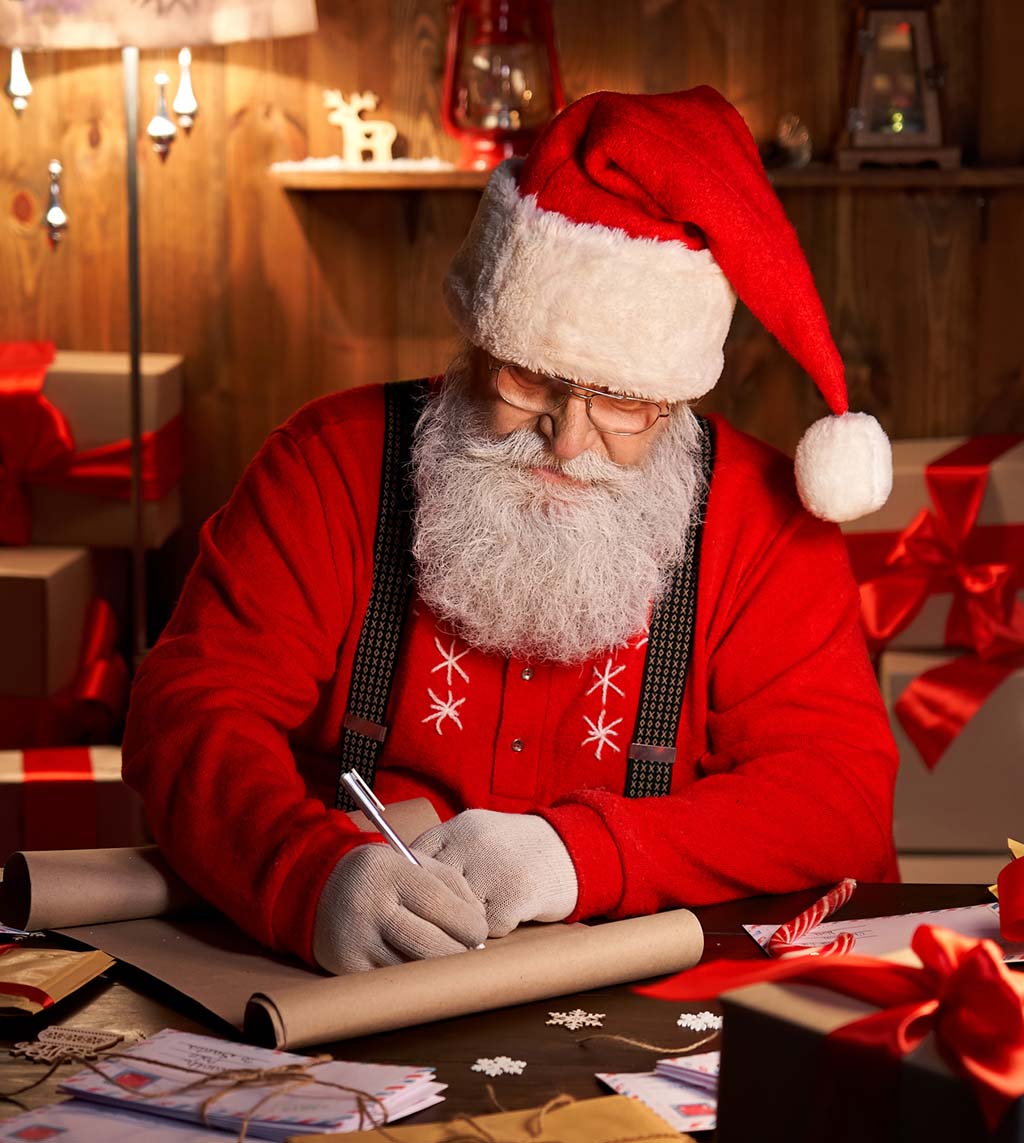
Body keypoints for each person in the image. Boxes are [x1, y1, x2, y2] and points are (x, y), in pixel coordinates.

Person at [122, 86, 898, 975]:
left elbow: (839, 801)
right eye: (527, 381)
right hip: (348, 991)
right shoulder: (329, 464)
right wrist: (309, 874)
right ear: (476, 347)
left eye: (622, 402)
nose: (566, 441)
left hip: (646, 1013)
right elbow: (189, 711)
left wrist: (578, 855)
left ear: (678, 397)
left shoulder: (762, 521)